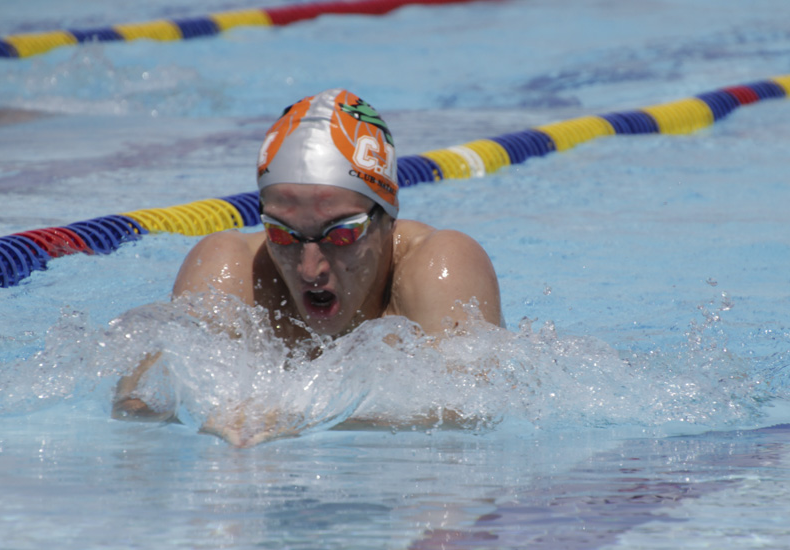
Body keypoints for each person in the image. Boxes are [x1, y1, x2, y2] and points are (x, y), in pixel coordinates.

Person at [112, 89, 504, 443]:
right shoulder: (232, 268)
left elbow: (474, 411)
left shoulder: (439, 263)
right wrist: (202, 413)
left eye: (342, 234)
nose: (309, 268)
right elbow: (135, 405)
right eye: (283, 234)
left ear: (387, 217)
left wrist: (304, 417)